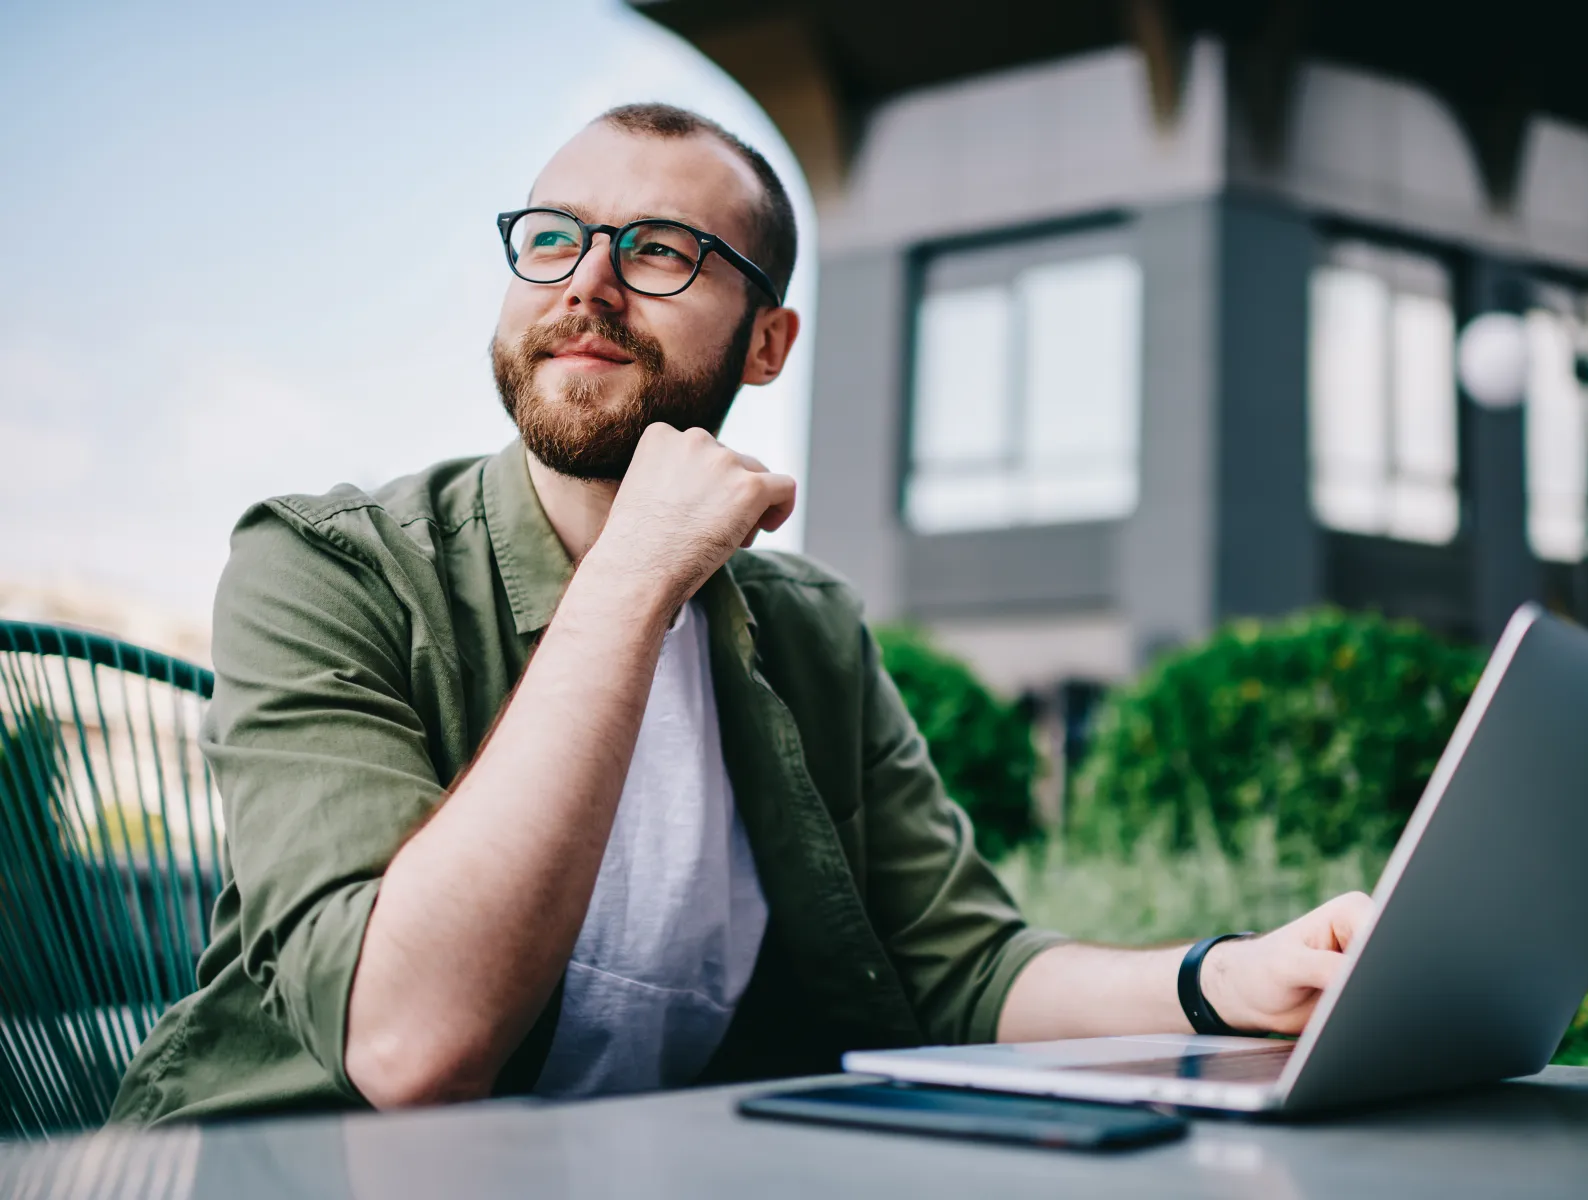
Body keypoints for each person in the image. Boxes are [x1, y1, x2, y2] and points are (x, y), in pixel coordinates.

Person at [111, 103, 1372, 1125]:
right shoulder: (327, 566)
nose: (588, 286)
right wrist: (632, 574)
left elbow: (965, 968)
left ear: (767, 343)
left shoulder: (807, 629)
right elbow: (409, 1046)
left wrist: (1232, 978)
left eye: (659, 251)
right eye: (554, 237)